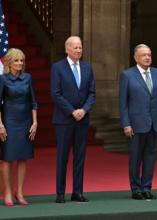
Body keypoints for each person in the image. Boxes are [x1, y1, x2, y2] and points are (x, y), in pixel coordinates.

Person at [51, 36, 96, 203]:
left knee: (80, 157)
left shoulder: (87, 68)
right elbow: (56, 93)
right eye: (75, 48)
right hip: (64, 119)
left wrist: (83, 110)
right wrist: (72, 111)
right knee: (62, 156)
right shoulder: (57, 67)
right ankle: (60, 192)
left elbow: (92, 93)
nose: (79, 50)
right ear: (67, 49)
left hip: (82, 119)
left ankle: (77, 192)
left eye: (80, 47)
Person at [119, 44, 157, 200]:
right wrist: (126, 124)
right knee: (135, 157)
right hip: (136, 123)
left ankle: (146, 187)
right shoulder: (127, 75)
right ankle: (136, 189)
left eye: (149, 55)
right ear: (136, 57)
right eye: (144, 55)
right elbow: (123, 102)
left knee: (151, 156)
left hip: (154, 123)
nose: (147, 57)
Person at [0, 48, 37, 206]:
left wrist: (35, 123)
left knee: (23, 156)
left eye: (21, 60)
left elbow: (33, 102)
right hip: (8, 121)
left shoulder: (28, 78)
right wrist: (0, 124)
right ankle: (8, 191)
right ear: (9, 62)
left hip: (26, 121)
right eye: (16, 60)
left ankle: (19, 192)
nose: (20, 63)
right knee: (8, 157)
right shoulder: (3, 79)